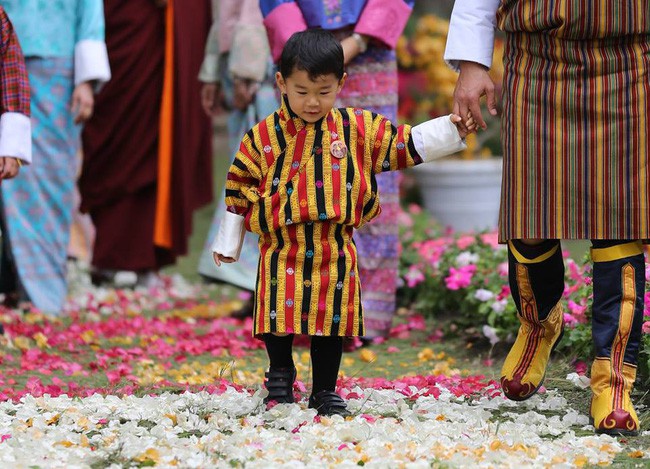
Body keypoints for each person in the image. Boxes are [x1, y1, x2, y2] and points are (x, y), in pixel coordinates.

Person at [212, 29, 473, 415]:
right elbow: (238, 186)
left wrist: (452, 129)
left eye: (323, 90)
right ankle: (280, 377)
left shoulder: (356, 128)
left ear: (341, 83)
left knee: (331, 320)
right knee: (276, 316)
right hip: (281, 246)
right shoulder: (262, 137)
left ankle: (325, 389)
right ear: (281, 82)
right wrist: (228, 243)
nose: (313, 102)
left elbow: (402, 143)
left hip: (334, 245)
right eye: (301, 91)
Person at [445, 0, 648, 435]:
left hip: (629, 64)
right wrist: (472, 63)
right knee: (530, 222)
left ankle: (613, 381)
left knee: (619, 228)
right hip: (538, 65)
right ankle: (538, 325)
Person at [257, 0, 414, 340]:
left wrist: (360, 40)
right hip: (301, 54)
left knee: (372, 170)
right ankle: (299, 311)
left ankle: (368, 313)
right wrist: (299, 50)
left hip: (370, 46)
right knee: (296, 175)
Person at [79, 0, 213, 288]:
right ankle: (108, 256)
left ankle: (145, 260)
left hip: (159, 28)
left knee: (155, 141)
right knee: (116, 139)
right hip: (122, 24)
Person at [0, 0, 110, 315]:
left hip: (58, 68)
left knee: (51, 183)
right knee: (9, 176)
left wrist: (86, 82)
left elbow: (90, 11)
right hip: (7, 58)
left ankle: (43, 293)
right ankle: (17, 285)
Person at [196, 0, 278, 318]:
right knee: (248, 176)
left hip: (266, 68)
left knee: (268, 177)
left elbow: (255, 14)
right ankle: (256, 286)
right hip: (241, 68)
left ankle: (268, 286)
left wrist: (247, 71)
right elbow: (226, 13)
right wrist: (214, 72)